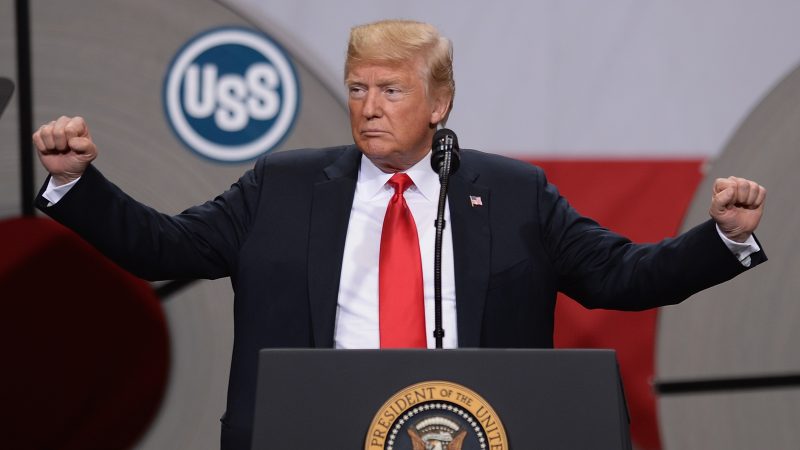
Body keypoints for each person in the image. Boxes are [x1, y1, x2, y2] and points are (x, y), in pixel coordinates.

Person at [32, 20, 766, 450]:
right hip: (310, 435)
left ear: (439, 102)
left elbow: (620, 277)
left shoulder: (511, 193)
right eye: (358, 89)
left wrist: (720, 237)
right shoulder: (282, 187)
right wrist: (76, 184)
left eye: (391, 90)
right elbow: (162, 248)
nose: (368, 108)